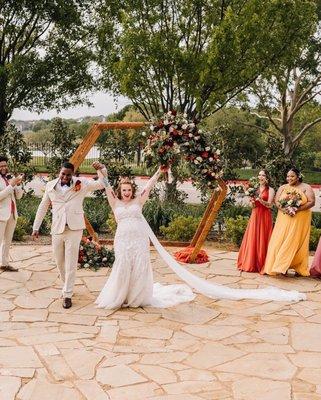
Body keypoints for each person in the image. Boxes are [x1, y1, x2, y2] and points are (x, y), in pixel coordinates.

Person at [95, 164, 306, 309]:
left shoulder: (138, 201)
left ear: (132, 190)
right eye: (123, 190)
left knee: (139, 265)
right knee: (122, 264)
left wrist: (159, 172)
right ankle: (119, 295)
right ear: (119, 191)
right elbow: (105, 186)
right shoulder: (114, 202)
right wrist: (102, 174)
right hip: (123, 239)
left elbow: (149, 186)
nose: (126, 193)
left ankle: (135, 297)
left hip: (139, 239)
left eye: (128, 190)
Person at [32, 161, 105, 309]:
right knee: (59, 261)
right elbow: (43, 206)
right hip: (57, 228)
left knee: (71, 262)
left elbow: (102, 184)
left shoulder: (81, 183)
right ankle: (66, 284)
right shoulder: (50, 185)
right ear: (59, 172)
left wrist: (101, 170)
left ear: (73, 174)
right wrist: (36, 227)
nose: (65, 177)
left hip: (74, 228)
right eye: (63, 174)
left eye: (68, 174)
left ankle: (67, 294)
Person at [263, 167, 315, 276]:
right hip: (284, 218)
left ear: (298, 176)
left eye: (292, 176)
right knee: (280, 240)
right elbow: (277, 201)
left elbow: (311, 202)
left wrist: (297, 209)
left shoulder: (306, 187)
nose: (289, 178)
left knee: (295, 241)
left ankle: (298, 266)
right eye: (287, 176)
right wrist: (285, 209)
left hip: (300, 219)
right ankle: (281, 266)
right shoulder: (283, 187)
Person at [237, 170, 274, 273]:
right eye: (259, 175)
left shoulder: (270, 189)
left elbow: (270, 205)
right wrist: (251, 198)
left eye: (263, 175)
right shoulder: (254, 189)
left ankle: (263, 263)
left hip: (265, 215)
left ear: (267, 177)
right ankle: (251, 263)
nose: (261, 177)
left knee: (263, 237)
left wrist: (260, 200)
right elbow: (252, 206)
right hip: (255, 214)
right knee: (253, 237)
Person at [0, 156, 23, 272]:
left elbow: (18, 196)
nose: (4, 167)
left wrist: (17, 184)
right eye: (1, 166)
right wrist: (11, 186)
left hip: (12, 214)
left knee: (7, 241)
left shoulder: (9, 178)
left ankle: (4, 263)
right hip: (1, 215)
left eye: (5, 165)